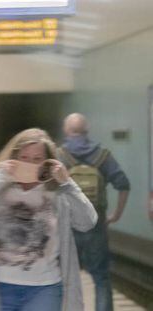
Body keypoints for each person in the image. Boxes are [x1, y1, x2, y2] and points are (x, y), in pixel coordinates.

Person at [0, 128, 98, 311]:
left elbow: (87, 221)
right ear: (14, 157)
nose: (29, 164)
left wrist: (68, 184)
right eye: (24, 158)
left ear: (47, 163)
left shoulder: (56, 192)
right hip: (0, 285)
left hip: (45, 287)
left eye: (37, 159)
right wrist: (2, 175)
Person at [59, 113, 130, 311]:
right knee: (101, 277)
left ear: (66, 130)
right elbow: (124, 184)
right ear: (87, 130)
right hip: (96, 225)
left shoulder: (59, 156)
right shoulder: (102, 156)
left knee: (64, 278)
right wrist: (116, 215)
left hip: (68, 227)